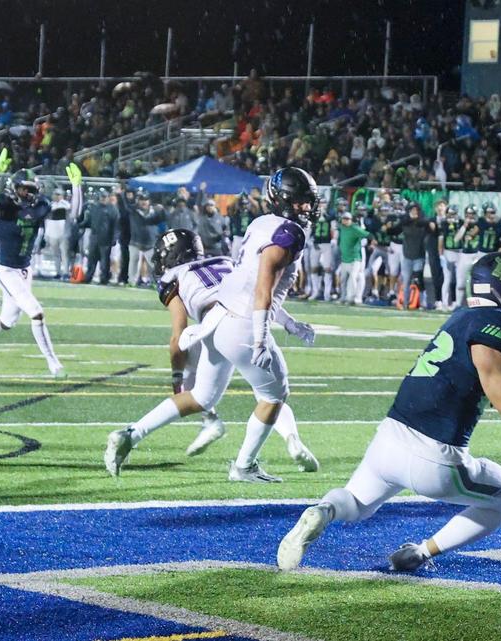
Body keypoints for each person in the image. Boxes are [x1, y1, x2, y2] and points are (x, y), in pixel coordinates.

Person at [276, 253, 501, 573]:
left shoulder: (466, 319)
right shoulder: (496, 324)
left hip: (388, 441)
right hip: (435, 456)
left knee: (355, 502)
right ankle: (420, 552)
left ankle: (323, 511)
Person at [102, 229, 316, 476]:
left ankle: (131, 434)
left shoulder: (174, 276)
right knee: (270, 393)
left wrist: (176, 375)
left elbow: (177, 335)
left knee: (204, 397)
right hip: (240, 319)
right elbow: (259, 293)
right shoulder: (226, 261)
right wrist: (289, 322)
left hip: (213, 328)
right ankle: (270, 450)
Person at [193, 167, 322, 482]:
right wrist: (261, 337)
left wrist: (289, 323)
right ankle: (244, 466)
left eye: (309, 201)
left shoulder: (262, 223)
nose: (307, 207)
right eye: (301, 201)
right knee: (274, 396)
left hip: (220, 316)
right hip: (243, 324)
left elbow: (252, 283)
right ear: (283, 200)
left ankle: (133, 433)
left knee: (205, 395)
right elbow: (263, 286)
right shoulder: (290, 233)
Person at [0, 156, 80, 378]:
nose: (29, 194)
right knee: (36, 313)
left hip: (25, 270)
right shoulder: (5, 207)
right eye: (24, 189)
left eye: (31, 189)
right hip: (5, 269)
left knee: (6, 322)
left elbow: (73, 216)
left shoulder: (40, 206)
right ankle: (53, 362)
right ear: (14, 189)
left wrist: (76, 187)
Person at [125, 189, 167, 286]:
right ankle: (132, 282)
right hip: (135, 241)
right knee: (133, 262)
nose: (144, 202)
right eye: (141, 199)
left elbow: (164, 220)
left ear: (149, 201)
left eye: (146, 199)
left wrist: (162, 210)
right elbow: (125, 206)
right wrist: (123, 196)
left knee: (153, 264)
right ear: (138, 201)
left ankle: (155, 282)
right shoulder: (134, 210)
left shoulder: (156, 211)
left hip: (151, 241)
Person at [81, 189, 120, 286]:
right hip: (94, 237)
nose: (103, 199)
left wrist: (114, 238)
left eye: (105, 197)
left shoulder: (112, 209)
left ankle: (104, 278)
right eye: (102, 197)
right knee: (91, 259)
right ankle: (88, 277)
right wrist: (80, 224)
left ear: (108, 198)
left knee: (104, 261)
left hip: (106, 238)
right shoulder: (94, 207)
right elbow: (89, 221)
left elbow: (116, 225)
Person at [336, 211, 369, 306]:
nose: (345, 221)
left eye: (347, 219)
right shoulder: (342, 228)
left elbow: (366, 235)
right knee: (344, 278)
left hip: (357, 254)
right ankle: (345, 296)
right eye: (344, 219)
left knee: (356, 276)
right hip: (345, 256)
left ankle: (355, 297)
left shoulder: (356, 228)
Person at [439, 204, 462, 310]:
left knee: (458, 279)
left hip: (459, 252)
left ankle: (456, 303)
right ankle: (444, 302)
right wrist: (441, 255)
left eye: (453, 214)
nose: (451, 216)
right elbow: (441, 240)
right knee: (447, 279)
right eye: (450, 213)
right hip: (448, 252)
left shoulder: (460, 223)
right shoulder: (443, 223)